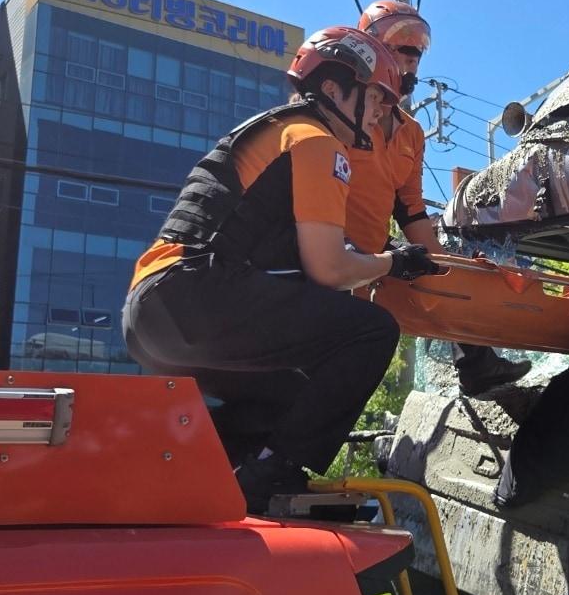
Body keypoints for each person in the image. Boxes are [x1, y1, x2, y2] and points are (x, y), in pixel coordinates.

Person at [122, 25, 441, 507]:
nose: (380, 111)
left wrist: (376, 257)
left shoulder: (280, 131)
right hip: (195, 296)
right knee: (373, 331)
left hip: (151, 313)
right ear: (332, 89)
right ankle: (270, 473)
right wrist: (393, 261)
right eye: (375, 96)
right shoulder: (318, 142)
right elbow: (329, 269)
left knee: (291, 395)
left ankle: (197, 474)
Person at [350, 0, 531, 396]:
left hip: (373, 247)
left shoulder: (411, 132)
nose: (412, 58)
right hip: (327, 240)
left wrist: (446, 268)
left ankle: (478, 366)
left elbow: (411, 210)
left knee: (446, 273)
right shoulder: (343, 114)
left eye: (418, 50)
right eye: (402, 45)